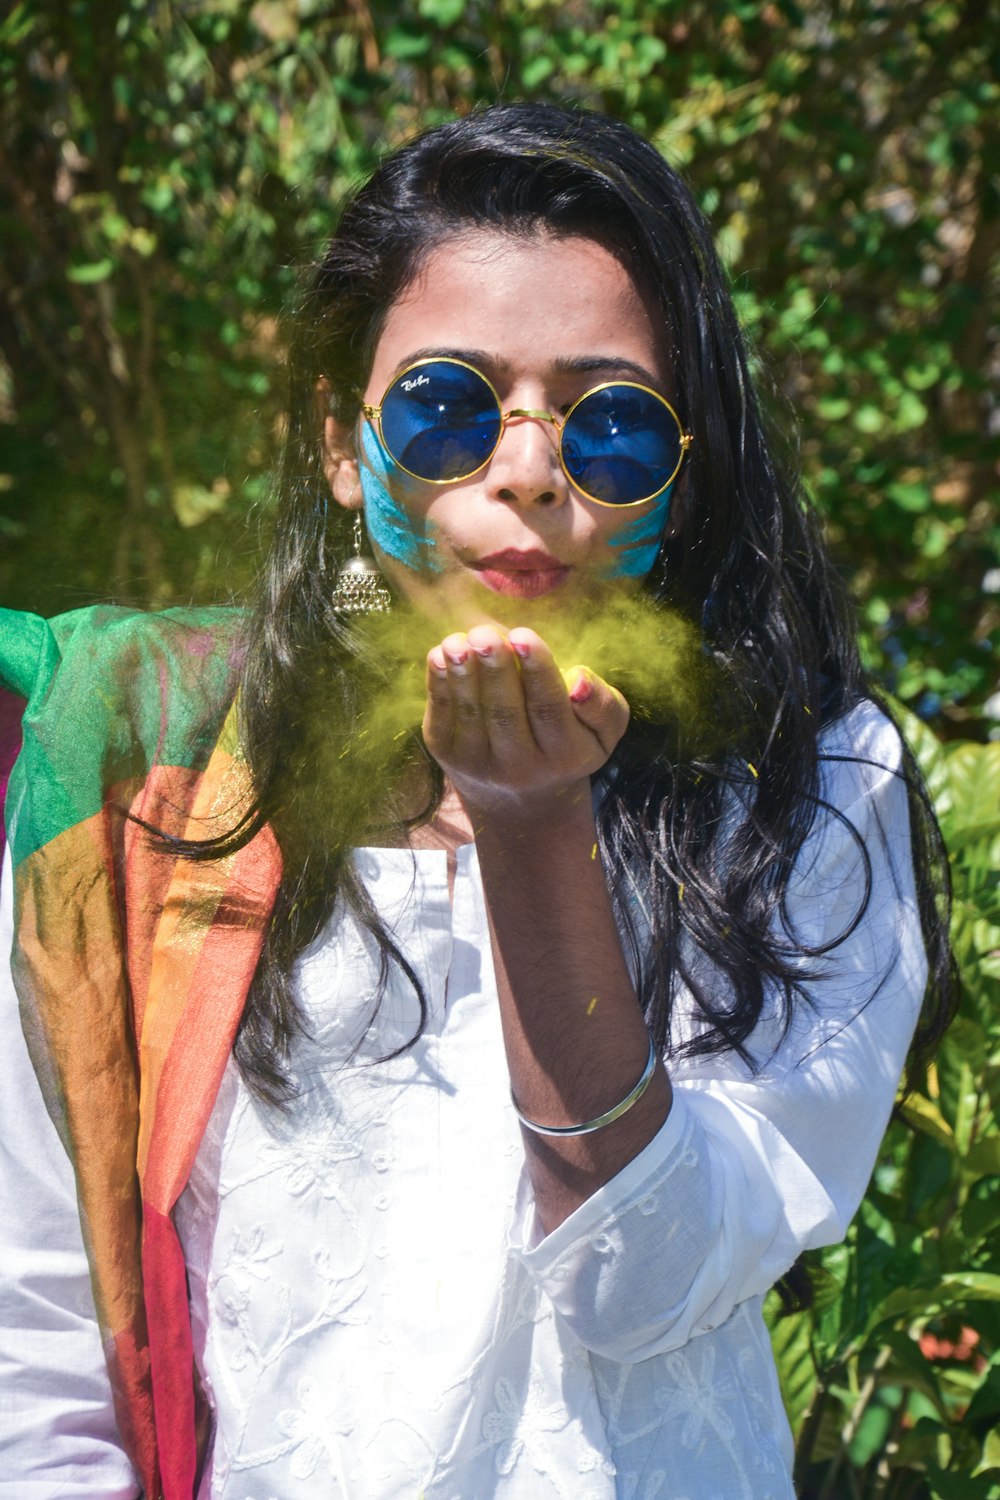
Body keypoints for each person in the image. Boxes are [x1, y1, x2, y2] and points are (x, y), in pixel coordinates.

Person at [0, 102, 953, 1500]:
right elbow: (41, 1341)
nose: (528, 471)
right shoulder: (158, 777)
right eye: (449, 409)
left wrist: (533, 834)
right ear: (344, 444)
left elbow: (644, 1285)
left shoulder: (809, 783)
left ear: (682, 483)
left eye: (611, 428)